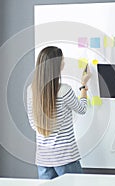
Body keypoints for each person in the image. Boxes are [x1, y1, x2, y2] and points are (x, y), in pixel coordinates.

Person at [26, 46, 92, 179]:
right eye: (62, 60)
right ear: (57, 66)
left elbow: (34, 125)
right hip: (65, 157)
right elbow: (82, 109)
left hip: (43, 158)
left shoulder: (31, 91)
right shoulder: (64, 91)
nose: (64, 63)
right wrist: (83, 87)